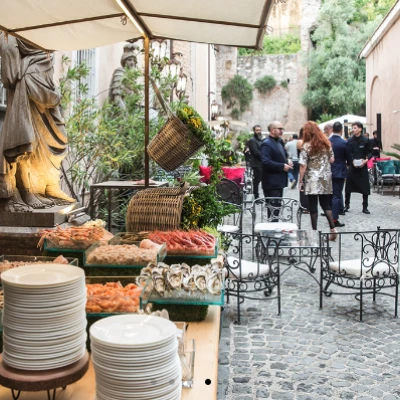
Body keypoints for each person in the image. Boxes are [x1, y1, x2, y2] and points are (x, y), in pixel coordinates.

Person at [0, 33, 75, 211]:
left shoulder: (43, 28)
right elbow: (9, 72)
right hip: (29, 84)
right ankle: (27, 190)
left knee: (60, 138)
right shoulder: (14, 28)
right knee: (26, 142)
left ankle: (49, 186)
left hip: (44, 81)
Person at [298, 121, 337, 240]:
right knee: (326, 204)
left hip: (312, 178)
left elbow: (303, 165)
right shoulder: (327, 144)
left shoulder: (306, 145)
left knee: (313, 205)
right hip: (325, 178)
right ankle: (332, 228)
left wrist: (300, 181)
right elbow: (332, 160)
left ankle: (315, 232)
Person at [260, 121, 292, 221]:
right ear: (272, 130)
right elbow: (265, 161)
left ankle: (274, 230)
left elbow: (281, 156)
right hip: (271, 182)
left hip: (278, 181)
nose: (282, 131)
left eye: (282, 129)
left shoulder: (279, 141)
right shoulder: (266, 143)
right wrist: (282, 166)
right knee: (273, 209)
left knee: (277, 208)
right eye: (280, 129)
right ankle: (271, 232)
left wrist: (287, 161)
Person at [344, 121, 372, 214]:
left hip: (362, 166)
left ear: (360, 129)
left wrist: (366, 160)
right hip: (352, 167)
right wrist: (351, 161)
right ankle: (346, 205)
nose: (353, 130)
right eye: (352, 128)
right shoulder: (349, 140)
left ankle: (365, 207)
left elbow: (371, 152)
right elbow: (347, 152)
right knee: (348, 187)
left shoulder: (366, 140)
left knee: (365, 187)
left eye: (355, 128)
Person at [329, 122, 352, 227]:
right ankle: (334, 219)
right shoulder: (344, 143)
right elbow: (349, 159)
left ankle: (330, 216)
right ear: (341, 130)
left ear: (332, 129)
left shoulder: (327, 141)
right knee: (337, 195)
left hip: (327, 171)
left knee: (329, 195)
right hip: (339, 171)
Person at [109, 43, 139, 109]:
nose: (132, 62)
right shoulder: (120, 73)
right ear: (124, 61)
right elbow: (117, 99)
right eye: (129, 60)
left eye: (134, 60)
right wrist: (126, 115)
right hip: (121, 113)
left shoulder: (131, 77)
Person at [247, 125, 263, 199]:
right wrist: (264, 157)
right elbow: (256, 152)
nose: (258, 132)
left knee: (258, 180)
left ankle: (257, 196)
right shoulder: (252, 140)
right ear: (254, 131)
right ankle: (256, 196)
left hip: (260, 163)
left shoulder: (259, 140)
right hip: (256, 164)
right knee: (256, 181)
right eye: (257, 130)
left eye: (259, 130)